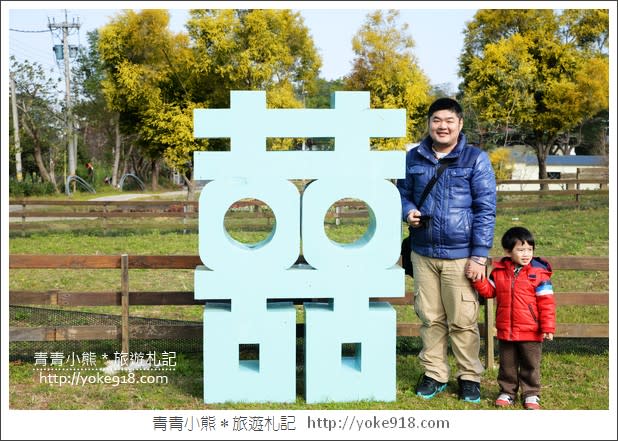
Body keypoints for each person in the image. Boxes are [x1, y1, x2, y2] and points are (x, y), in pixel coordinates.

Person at [396, 97, 496, 403]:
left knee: (463, 319)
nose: (443, 126)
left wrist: (479, 256)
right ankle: (434, 373)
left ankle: (469, 377)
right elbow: (400, 193)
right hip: (423, 252)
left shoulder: (475, 159)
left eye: (449, 121)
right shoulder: (412, 158)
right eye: (437, 120)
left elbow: (485, 209)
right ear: (428, 123)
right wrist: (407, 210)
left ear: (460, 124)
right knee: (429, 317)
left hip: (461, 255)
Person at [472, 227, 555, 410]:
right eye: (521, 249)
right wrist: (478, 280)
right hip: (506, 330)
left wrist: (547, 327)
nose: (526, 254)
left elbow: (547, 303)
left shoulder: (539, 274)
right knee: (507, 364)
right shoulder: (499, 272)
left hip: (531, 331)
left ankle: (531, 394)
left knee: (530, 364)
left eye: (529, 250)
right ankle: (507, 392)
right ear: (508, 251)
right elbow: (489, 291)